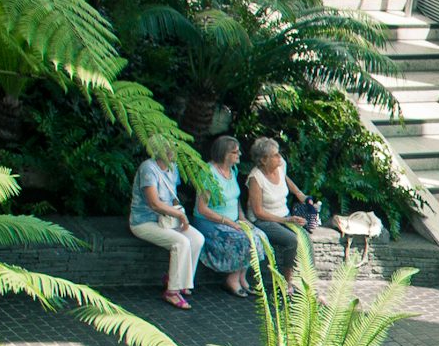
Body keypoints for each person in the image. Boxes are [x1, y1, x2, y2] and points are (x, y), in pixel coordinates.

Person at [129, 146, 203, 311]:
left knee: (197, 239)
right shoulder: (148, 168)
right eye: (173, 147)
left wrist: (178, 211)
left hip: (167, 220)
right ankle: (172, 292)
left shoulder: (173, 167)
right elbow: (154, 203)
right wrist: (180, 215)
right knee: (181, 242)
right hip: (144, 222)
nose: (176, 150)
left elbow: (173, 196)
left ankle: (179, 281)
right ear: (162, 149)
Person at [191, 133, 258, 297]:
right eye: (235, 152)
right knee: (243, 239)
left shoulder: (233, 170)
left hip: (231, 220)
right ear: (223, 154)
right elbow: (202, 208)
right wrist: (228, 222)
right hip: (209, 222)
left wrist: (242, 218)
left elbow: (235, 198)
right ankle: (232, 280)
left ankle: (242, 277)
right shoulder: (208, 173)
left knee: (257, 235)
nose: (239, 154)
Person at [243, 134, 320, 275]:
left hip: (284, 215)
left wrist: (300, 195)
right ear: (264, 160)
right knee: (292, 240)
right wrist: (286, 220)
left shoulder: (279, 165)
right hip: (264, 220)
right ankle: (287, 281)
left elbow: (286, 179)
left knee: (306, 238)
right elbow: (258, 212)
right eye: (275, 155)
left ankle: (310, 280)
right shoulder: (255, 178)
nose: (280, 157)